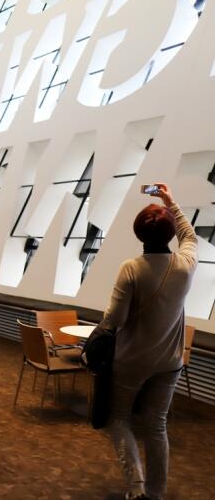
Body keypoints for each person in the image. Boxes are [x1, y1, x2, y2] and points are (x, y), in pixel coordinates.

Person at [100, 183, 197, 500]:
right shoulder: (185, 265)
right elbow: (190, 237)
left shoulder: (131, 269)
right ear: (169, 235)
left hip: (130, 362)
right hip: (170, 363)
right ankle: (156, 494)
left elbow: (114, 320)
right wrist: (171, 201)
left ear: (139, 234)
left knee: (117, 419)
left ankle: (136, 486)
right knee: (156, 427)